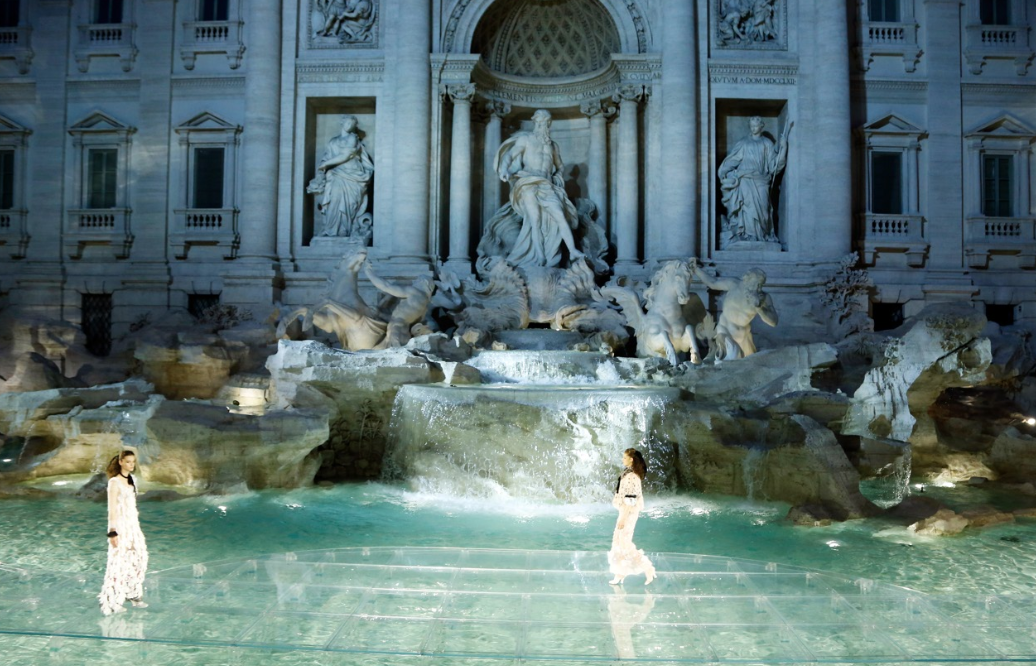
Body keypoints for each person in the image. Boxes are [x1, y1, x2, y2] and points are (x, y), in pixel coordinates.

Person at [495, 109, 585, 268]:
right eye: (541, 122)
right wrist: (504, 169)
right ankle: (540, 256)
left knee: (560, 215)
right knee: (534, 219)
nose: (543, 125)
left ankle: (573, 251)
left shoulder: (553, 145)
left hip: (547, 185)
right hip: (528, 182)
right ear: (535, 122)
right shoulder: (525, 139)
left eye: (546, 122)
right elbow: (510, 155)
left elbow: (559, 166)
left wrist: (557, 177)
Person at [717, 116, 791, 242]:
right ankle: (747, 235)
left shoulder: (767, 143)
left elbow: (774, 166)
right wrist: (723, 171)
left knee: (764, 208)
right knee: (747, 207)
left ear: (761, 126)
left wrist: (783, 148)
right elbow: (733, 159)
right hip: (745, 179)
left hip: (761, 180)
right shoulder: (743, 143)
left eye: (756, 126)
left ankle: (761, 235)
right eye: (751, 126)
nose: (753, 128)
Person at [689, 259, 779, 360]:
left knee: (749, 364)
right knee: (730, 357)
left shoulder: (763, 298)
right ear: (747, 279)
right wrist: (696, 269)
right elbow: (712, 282)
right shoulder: (733, 284)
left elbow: (774, 322)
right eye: (756, 283)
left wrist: (758, 307)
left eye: (761, 285)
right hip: (724, 331)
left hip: (744, 336)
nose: (758, 288)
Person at [307, 115, 374, 238]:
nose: (350, 126)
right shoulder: (333, 141)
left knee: (350, 204)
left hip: (353, 175)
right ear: (342, 123)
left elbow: (346, 155)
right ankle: (331, 229)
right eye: (348, 123)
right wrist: (321, 172)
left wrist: (325, 164)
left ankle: (345, 230)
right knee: (334, 201)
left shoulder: (352, 138)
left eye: (352, 124)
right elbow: (326, 157)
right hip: (336, 175)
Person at [99, 450, 148, 615]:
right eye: (128, 461)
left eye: (133, 462)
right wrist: (112, 532)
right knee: (118, 563)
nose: (131, 465)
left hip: (133, 525)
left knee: (139, 558)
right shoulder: (114, 482)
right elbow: (112, 508)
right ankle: (112, 601)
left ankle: (133, 593)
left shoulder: (132, 480)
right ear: (120, 462)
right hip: (120, 527)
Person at [608, 448, 656, 586]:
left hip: (628, 513)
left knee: (624, 543)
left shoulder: (632, 476)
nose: (622, 460)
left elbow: (631, 499)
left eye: (624, 457)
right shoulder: (628, 473)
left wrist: (623, 518)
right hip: (625, 511)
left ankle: (648, 569)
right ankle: (619, 573)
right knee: (619, 542)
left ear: (631, 459)